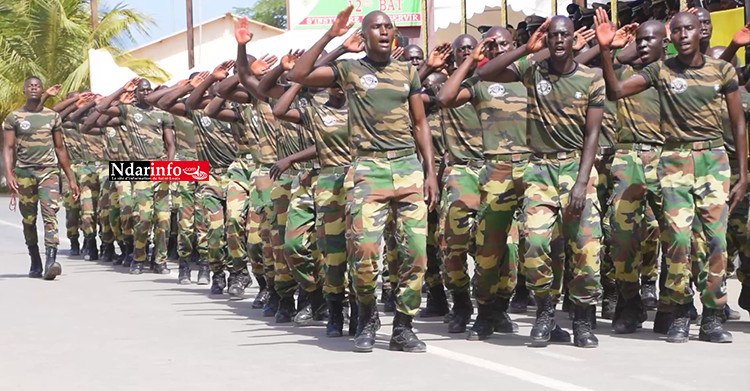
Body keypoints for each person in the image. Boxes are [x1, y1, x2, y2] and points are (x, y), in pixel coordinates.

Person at [289, 6, 439, 353]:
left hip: (407, 168)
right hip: (368, 171)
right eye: (377, 27)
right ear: (365, 34)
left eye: (389, 26)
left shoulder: (407, 72)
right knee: (365, 251)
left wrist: (429, 172)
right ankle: (367, 317)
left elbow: (420, 124)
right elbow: (299, 73)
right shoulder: (349, 70)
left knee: (415, 253)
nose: (385, 32)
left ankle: (404, 326)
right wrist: (332, 37)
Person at [595, 9, 747, 343]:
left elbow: (737, 123)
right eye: (676, 30)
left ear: (698, 33)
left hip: (713, 160)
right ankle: (675, 309)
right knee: (677, 239)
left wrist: (743, 174)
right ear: (672, 36)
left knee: (715, 241)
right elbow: (616, 90)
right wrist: (605, 49)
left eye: (689, 29)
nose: (683, 35)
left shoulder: (721, 70)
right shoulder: (659, 70)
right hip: (674, 160)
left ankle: (710, 317)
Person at [478, 16, 605, 348]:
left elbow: (592, 135)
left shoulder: (591, 79)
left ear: (573, 39)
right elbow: (485, 73)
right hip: (540, 169)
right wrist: (524, 48)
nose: (559, 40)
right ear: (546, 40)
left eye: (564, 35)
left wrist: (580, 183)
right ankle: (545, 310)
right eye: (553, 35)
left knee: (587, 251)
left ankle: (581, 319)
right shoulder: (533, 70)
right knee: (534, 243)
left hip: (578, 168)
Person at [437, 27, 528, 341]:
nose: (497, 49)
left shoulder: (524, 80)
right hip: (465, 171)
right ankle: (462, 303)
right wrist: (469, 64)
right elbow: (442, 98)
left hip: (508, 171)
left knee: (510, 246)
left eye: (503, 44)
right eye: (490, 46)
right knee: (455, 239)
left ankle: (498, 305)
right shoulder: (470, 84)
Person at [93, 78, 176, 275]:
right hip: (138, 169)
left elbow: (170, 144)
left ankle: (160, 260)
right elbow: (102, 109)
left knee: (164, 219)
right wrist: (122, 90)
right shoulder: (128, 111)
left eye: (148, 90)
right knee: (143, 217)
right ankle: (138, 257)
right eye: (142, 90)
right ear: (136, 93)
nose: (146, 93)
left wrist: (169, 168)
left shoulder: (162, 114)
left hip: (160, 167)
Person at [3, 76, 79, 280]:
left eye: (37, 86)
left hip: (49, 172)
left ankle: (51, 261)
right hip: (24, 173)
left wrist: (70, 178)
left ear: (41, 89)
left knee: (50, 214)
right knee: (28, 220)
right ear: (24, 91)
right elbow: (8, 147)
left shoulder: (52, 116)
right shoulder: (14, 117)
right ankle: (35, 259)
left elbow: (60, 148)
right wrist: (8, 173)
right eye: (30, 86)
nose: (33, 88)